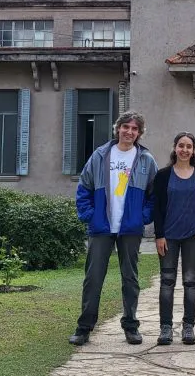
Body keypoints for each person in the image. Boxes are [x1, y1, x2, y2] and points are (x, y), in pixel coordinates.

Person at [69, 110, 158, 346]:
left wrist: (143, 217)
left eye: (134, 129)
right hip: (101, 227)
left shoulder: (146, 160)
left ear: (139, 133)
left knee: (130, 278)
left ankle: (130, 325)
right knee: (93, 278)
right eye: (125, 127)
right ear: (117, 128)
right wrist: (90, 216)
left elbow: (154, 194)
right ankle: (84, 327)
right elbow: (84, 188)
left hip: (130, 228)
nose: (129, 132)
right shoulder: (100, 155)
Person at [152, 132, 195, 346]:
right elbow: (157, 208)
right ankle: (166, 328)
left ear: (193, 150)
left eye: (189, 146)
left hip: (193, 238)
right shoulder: (163, 175)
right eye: (181, 145)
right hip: (168, 237)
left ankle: (188, 327)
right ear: (174, 148)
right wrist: (158, 235)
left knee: (190, 282)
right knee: (167, 282)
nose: (184, 150)